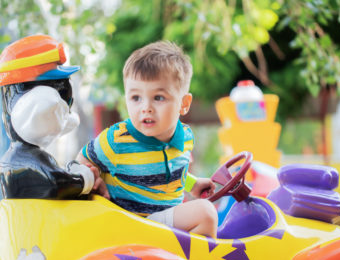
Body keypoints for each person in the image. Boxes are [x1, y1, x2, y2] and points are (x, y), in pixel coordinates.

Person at [77, 41, 218, 237]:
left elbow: (165, 173)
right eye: (136, 98)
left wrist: (193, 184)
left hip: (163, 223)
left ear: (183, 104)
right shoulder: (117, 140)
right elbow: (81, 162)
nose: (146, 108)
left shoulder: (184, 137)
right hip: (133, 225)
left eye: (158, 98)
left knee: (205, 213)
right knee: (206, 214)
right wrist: (92, 178)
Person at [0, 34, 106, 199]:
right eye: (60, 89)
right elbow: (56, 183)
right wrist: (86, 178)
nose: (66, 102)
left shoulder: (31, 156)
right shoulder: (22, 161)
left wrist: (72, 169)